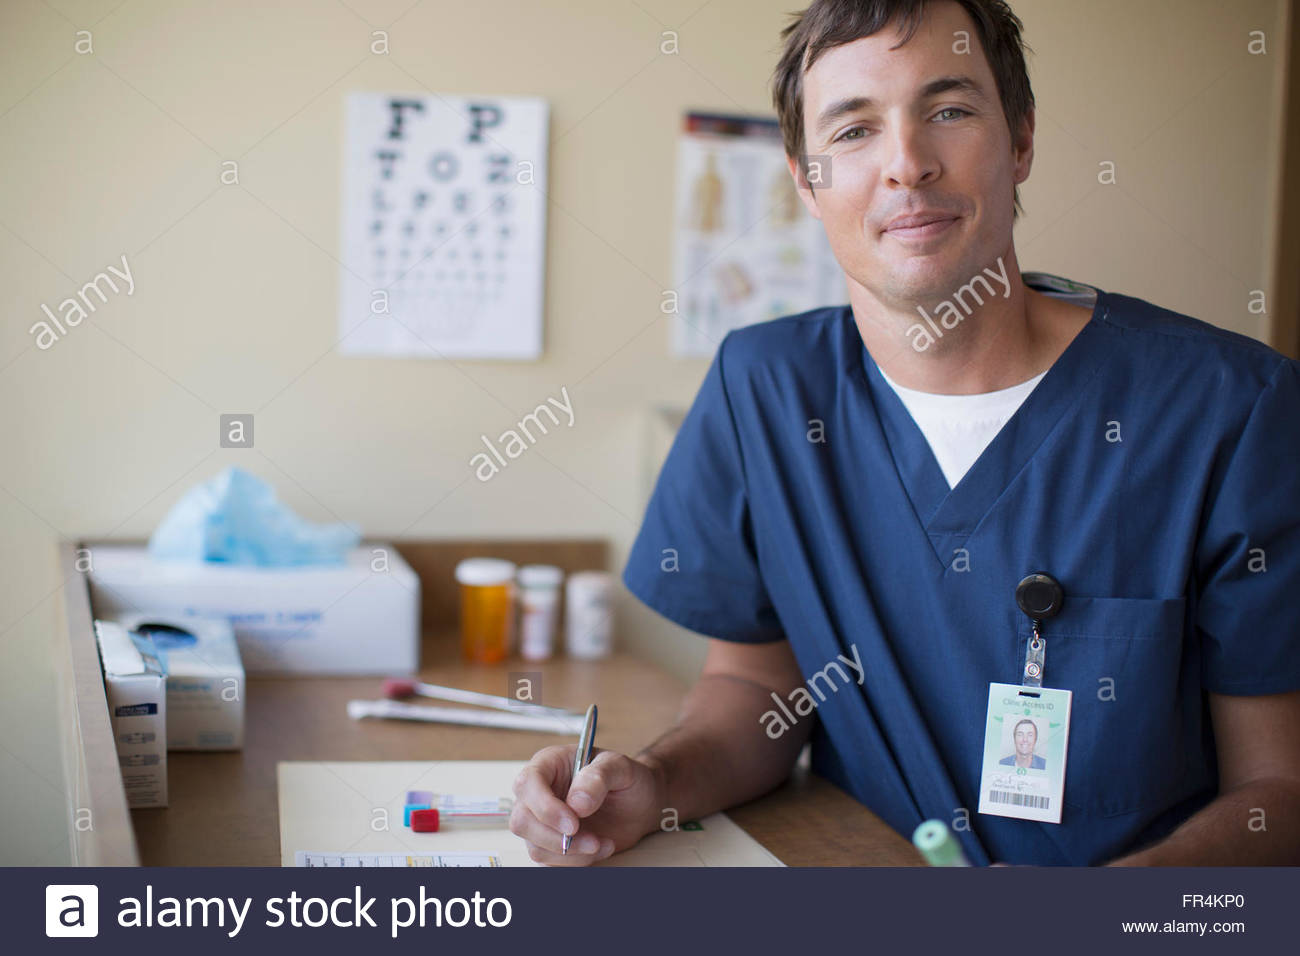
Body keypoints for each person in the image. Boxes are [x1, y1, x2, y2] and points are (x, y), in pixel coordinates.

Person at [509, 0, 1300, 866]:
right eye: (852, 132)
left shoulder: (1228, 408)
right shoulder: (766, 390)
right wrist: (655, 784)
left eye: (950, 111)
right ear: (806, 181)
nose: (908, 165)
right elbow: (754, 688)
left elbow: (1280, 791)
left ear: (1022, 140)